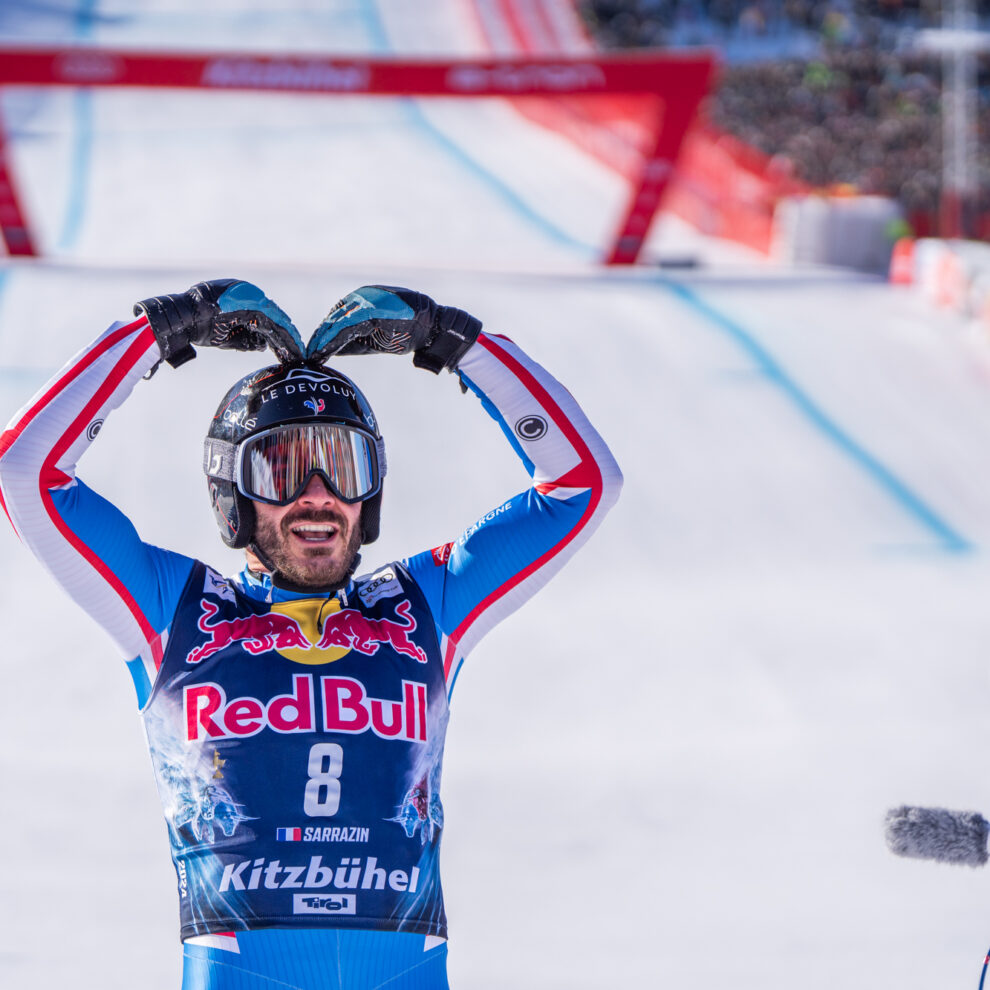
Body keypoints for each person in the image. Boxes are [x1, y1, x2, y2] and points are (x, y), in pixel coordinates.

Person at [0, 280, 622, 990]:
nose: (319, 492)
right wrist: (165, 327)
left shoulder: (424, 610)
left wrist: (455, 341)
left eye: (344, 465)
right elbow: (25, 471)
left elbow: (584, 481)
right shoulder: (176, 612)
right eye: (284, 468)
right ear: (232, 490)